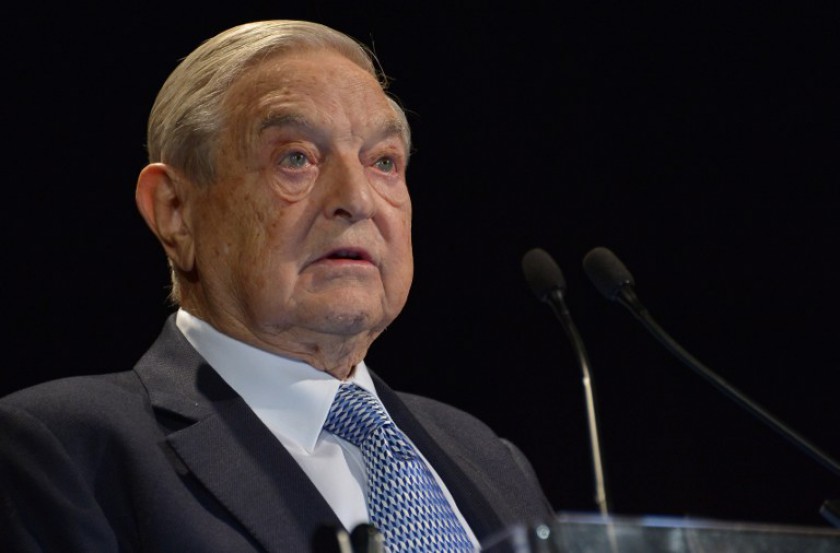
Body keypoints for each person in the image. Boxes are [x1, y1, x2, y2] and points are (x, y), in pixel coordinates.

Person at [0, 20, 554, 552]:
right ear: (175, 211)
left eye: (383, 162)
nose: (357, 199)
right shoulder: (65, 450)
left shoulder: (491, 458)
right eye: (297, 158)